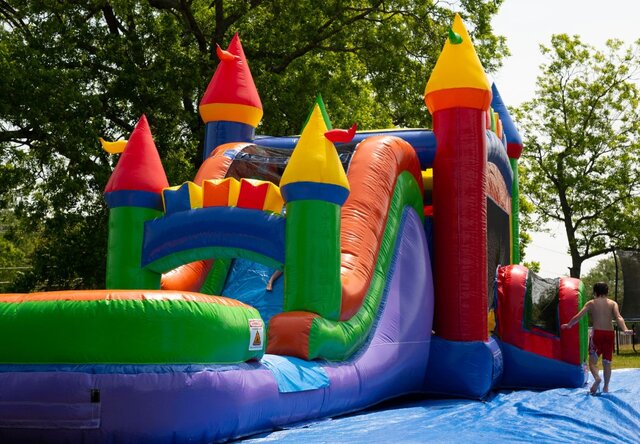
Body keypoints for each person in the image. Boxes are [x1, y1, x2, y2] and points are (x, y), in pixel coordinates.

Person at [561, 282, 633, 394]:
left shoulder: (591, 303)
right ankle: (606, 387)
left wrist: (569, 324)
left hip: (597, 334)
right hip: (609, 334)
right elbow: (618, 317)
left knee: (593, 362)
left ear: (595, 292)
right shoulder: (613, 303)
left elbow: (579, 316)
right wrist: (625, 329)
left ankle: (597, 378)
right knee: (607, 362)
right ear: (607, 292)